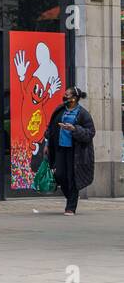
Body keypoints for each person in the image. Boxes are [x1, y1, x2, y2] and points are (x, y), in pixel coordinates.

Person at [43, 86, 96, 215]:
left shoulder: (83, 114)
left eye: (67, 95)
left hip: (75, 151)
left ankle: (70, 207)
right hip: (60, 148)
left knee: (72, 178)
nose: (65, 96)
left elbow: (90, 133)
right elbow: (50, 129)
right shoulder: (60, 110)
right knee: (60, 175)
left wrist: (74, 129)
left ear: (74, 98)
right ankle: (71, 197)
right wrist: (47, 144)